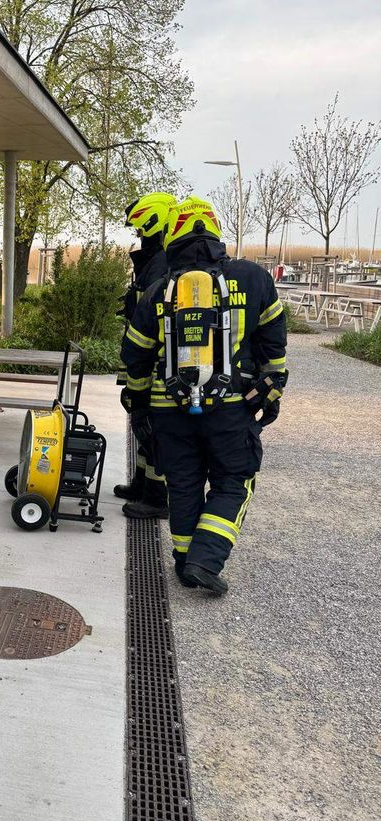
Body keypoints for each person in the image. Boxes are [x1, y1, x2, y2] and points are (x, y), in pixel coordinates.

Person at [121, 196, 287, 594]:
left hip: (169, 408)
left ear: (173, 236)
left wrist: (140, 403)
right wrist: (273, 386)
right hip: (232, 405)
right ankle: (204, 560)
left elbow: (135, 354)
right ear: (216, 233)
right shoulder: (253, 278)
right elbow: (274, 339)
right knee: (234, 480)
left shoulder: (161, 289)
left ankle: (184, 562)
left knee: (183, 483)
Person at [114, 192, 175, 520]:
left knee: (152, 423)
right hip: (142, 355)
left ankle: (156, 497)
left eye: (140, 232)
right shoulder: (156, 260)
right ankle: (141, 484)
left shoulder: (163, 261)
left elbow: (154, 314)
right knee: (140, 421)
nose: (138, 238)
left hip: (153, 360)